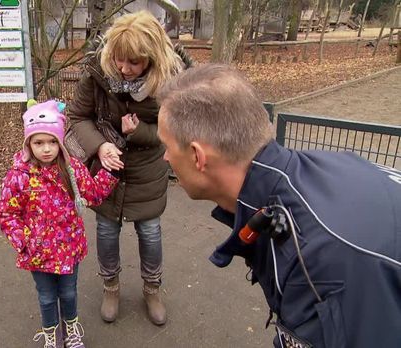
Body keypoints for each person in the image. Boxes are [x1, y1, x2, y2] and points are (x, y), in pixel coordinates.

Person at [156, 64, 401, 347]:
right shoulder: (324, 169)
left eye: (167, 146)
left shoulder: (316, 261)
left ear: (198, 156)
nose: (165, 157)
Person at [67, 10, 192, 326]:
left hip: (147, 171)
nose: (123, 69)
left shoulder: (170, 82)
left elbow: (175, 130)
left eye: (133, 62)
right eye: (119, 60)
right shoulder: (97, 73)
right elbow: (77, 116)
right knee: (107, 231)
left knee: (150, 232)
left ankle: (152, 289)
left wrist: (137, 132)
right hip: (107, 171)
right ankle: (111, 286)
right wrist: (101, 145)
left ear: (151, 58)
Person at [0, 99, 118, 348]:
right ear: (28, 143)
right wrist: (23, 241)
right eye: (39, 142)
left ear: (61, 142)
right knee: (46, 297)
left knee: (70, 293)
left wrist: (110, 172)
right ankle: (51, 334)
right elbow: (7, 213)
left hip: (67, 248)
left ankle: (71, 330)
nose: (47, 149)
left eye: (53, 142)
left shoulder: (72, 169)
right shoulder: (19, 176)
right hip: (37, 251)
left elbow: (92, 194)